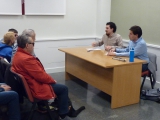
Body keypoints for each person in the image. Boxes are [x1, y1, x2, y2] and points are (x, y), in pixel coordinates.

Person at [11, 34, 85, 119]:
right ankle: (64, 112)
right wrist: (52, 80)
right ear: (27, 45)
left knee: (59, 87)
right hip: (35, 87)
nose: (34, 46)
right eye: (33, 44)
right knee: (63, 88)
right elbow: (41, 76)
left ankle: (66, 109)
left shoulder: (18, 55)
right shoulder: (26, 59)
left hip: (28, 86)